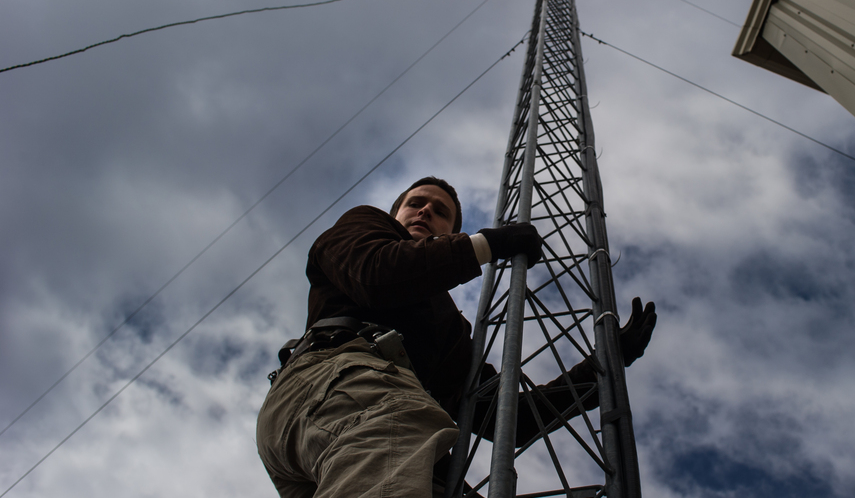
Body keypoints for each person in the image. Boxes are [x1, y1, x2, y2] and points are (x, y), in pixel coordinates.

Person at [256, 176, 656, 498]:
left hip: (346, 416)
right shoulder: (365, 227)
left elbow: (511, 421)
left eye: (440, 212)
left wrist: (605, 365)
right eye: (415, 203)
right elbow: (378, 275)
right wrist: (487, 244)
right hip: (335, 381)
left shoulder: (447, 329)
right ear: (396, 212)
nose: (425, 210)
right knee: (399, 446)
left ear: (449, 230)